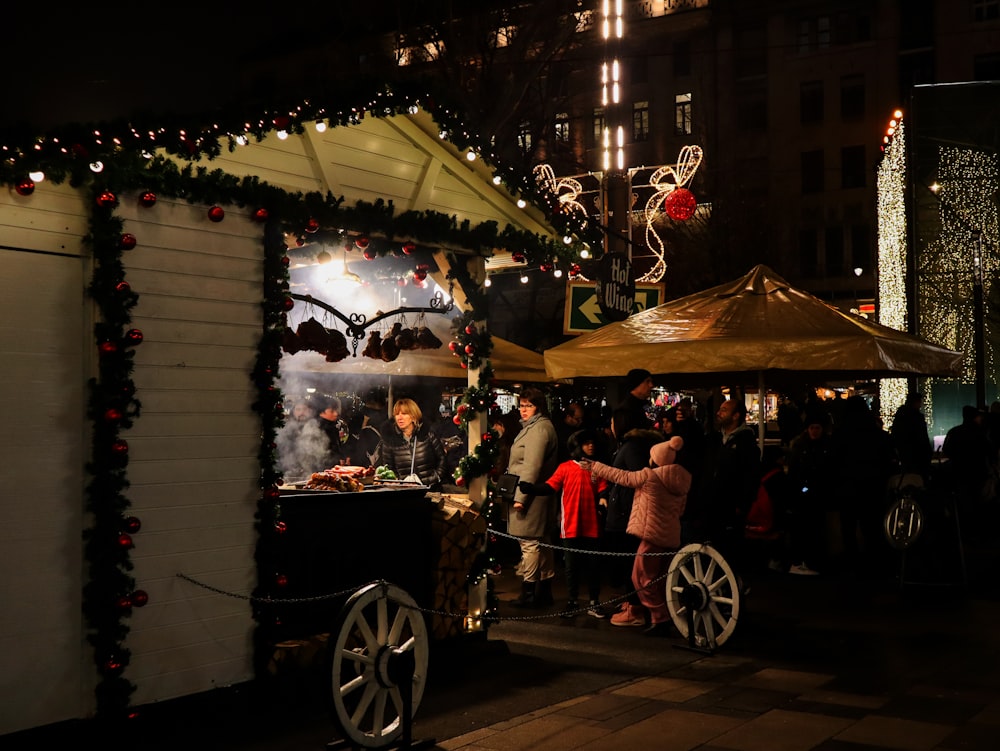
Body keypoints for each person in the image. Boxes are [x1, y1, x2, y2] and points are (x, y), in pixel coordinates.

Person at [583, 436, 691, 636]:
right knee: (661, 578)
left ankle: (660, 617)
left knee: (640, 578)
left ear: (656, 459)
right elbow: (681, 511)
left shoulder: (650, 476)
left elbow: (622, 476)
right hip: (671, 536)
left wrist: (595, 466)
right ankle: (667, 614)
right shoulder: (682, 481)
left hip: (652, 536)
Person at [518, 429, 608, 618]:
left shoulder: (598, 468)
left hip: (593, 525)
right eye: (586, 443)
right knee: (571, 566)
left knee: (594, 565)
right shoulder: (566, 467)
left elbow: (603, 490)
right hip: (571, 525)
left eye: (592, 442)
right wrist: (531, 489)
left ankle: (594, 601)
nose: (590, 446)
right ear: (577, 446)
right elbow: (550, 486)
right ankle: (573, 601)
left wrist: (602, 503)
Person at [686, 397, 760, 581]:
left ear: (736, 416)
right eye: (719, 409)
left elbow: (751, 478)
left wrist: (741, 506)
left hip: (730, 508)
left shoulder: (746, 444)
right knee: (709, 549)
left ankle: (732, 587)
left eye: (724, 410)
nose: (719, 413)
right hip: (708, 506)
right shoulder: (714, 440)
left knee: (729, 551)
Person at [601, 424, 665, 627]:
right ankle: (635, 604)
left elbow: (631, 478)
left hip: (629, 515)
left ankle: (636, 608)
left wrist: (597, 469)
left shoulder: (632, 449)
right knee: (638, 564)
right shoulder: (649, 447)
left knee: (632, 563)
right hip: (639, 515)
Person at [504, 387, 560, 608]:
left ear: (538, 406)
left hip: (531, 496)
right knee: (541, 542)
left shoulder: (538, 430)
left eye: (528, 405)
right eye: (522, 405)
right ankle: (543, 590)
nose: (523, 409)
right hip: (537, 494)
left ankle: (529, 592)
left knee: (529, 542)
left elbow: (531, 467)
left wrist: (521, 497)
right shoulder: (537, 427)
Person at [785, 411, 834, 575]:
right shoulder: (802, 446)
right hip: (805, 495)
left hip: (816, 493)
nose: (814, 431)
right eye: (812, 428)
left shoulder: (819, 446)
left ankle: (812, 561)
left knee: (815, 529)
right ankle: (807, 561)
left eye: (817, 428)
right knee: (808, 528)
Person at [375, 398, 447, 489]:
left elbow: (442, 459)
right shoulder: (390, 441)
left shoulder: (428, 434)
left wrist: (435, 478)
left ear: (413, 416)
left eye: (404, 414)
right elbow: (389, 469)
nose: (399, 417)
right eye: (397, 414)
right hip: (405, 492)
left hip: (431, 488)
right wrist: (400, 483)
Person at [275, 398, 329, 481]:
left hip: (317, 474)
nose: (301, 412)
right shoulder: (287, 430)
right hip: (290, 474)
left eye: (305, 409)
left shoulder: (323, 427)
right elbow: (281, 452)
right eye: (298, 409)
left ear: (311, 411)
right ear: (293, 412)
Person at [890, 392, 933, 478]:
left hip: (905, 453)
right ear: (915, 402)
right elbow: (922, 437)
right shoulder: (917, 417)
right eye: (920, 402)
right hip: (918, 454)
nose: (921, 404)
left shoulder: (900, 415)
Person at [611, 368, 655, 445]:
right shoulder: (625, 410)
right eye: (647, 381)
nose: (651, 385)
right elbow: (626, 441)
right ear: (636, 384)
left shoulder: (638, 406)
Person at [318, 397, 353, 466]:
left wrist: (343, 457)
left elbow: (338, 445)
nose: (336, 414)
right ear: (321, 412)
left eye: (336, 410)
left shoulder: (333, 425)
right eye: (332, 411)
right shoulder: (317, 427)